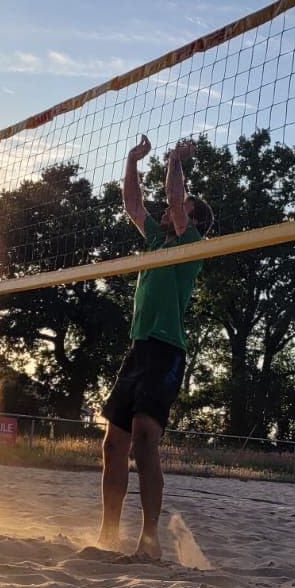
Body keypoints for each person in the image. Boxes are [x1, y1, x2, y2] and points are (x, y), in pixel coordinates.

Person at [98, 135, 213, 559]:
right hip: (138, 348)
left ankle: (150, 541)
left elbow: (175, 196)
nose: (168, 209)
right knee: (113, 444)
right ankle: (108, 533)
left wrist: (174, 161)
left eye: (179, 209)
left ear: (193, 220)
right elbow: (133, 203)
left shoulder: (191, 244)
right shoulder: (154, 242)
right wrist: (130, 159)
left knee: (146, 439)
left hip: (167, 351)